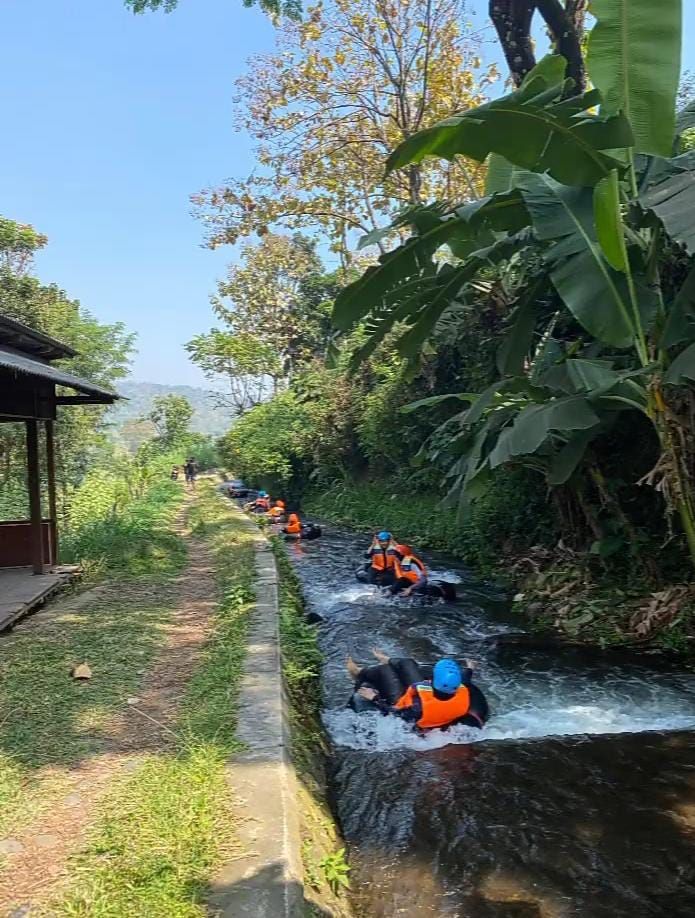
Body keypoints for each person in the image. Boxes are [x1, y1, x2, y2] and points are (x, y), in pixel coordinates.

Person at [347, 649, 488, 731]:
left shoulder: (418, 707)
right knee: (408, 663)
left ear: (432, 680)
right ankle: (387, 659)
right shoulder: (463, 691)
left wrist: (374, 698)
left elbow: (395, 714)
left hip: (401, 702)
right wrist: (470, 668)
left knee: (385, 671)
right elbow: (465, 680)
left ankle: (358, 673)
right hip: (425, 696)